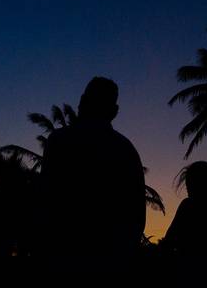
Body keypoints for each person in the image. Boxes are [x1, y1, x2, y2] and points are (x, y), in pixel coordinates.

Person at [38, 77, 146, 274]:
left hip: (62, 258)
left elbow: (46, 200)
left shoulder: (59, 142)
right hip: (111, 262)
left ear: (81, 102)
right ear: (114, 112)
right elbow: (136, 214)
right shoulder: (126, 150)